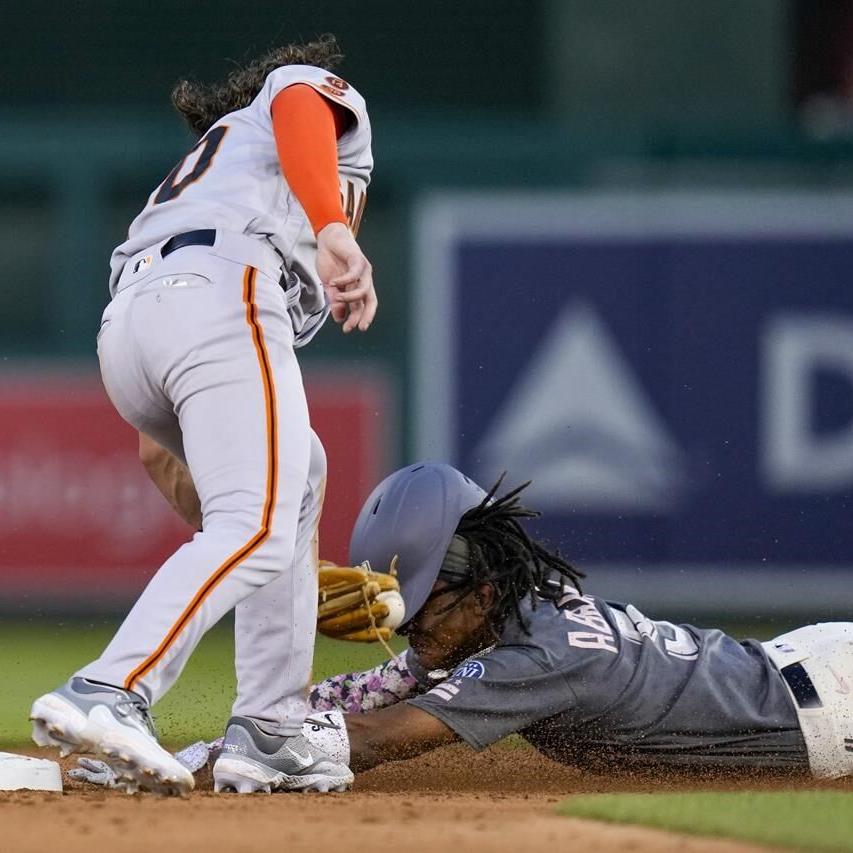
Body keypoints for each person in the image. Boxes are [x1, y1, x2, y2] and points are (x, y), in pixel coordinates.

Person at [31, 34, 375, 796]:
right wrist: (334, 228)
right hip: (220, 290)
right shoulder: (293, 106)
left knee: (293, 480)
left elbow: (162, 458)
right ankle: (109, 691)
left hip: (134, 329)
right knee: (252, 520)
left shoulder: (209, 181)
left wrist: (283, 565)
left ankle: (270, 730)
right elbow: (297, 96)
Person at [72, 462, 853, 790]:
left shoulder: (542, 654)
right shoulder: (494, 623)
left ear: (480, 587)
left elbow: (372, 738)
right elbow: (334, 704)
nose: (410, 633)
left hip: (831, 701)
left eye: (423, 608)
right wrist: (187, 755)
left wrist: (223, 766)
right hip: (792, 669)